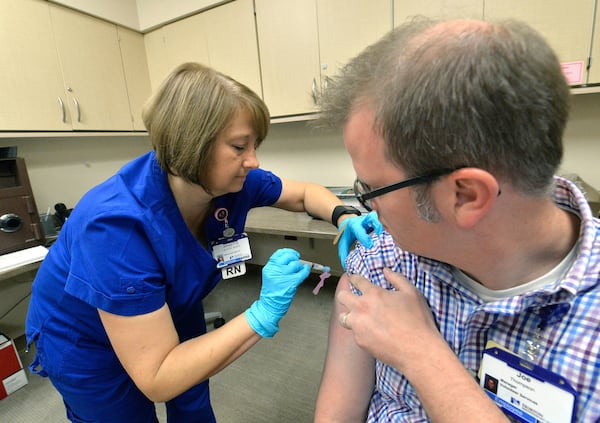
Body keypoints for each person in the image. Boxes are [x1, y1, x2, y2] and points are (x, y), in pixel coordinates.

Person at [25, 62, 377, 423]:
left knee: (192, 400)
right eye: (240, 146)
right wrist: (262, 313)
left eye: (254, 145)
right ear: (190, 144)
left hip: (172, 303)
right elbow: (158, 378)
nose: (253, 161)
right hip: (84, 338)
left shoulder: (229, 184)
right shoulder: (116, 228)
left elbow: (303, 193)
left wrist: (343, 215)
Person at [314, 18, 600, 422]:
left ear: (465, 195)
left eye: (372, 189)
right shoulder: (382, 262)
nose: (368, 207)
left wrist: (423, 356)